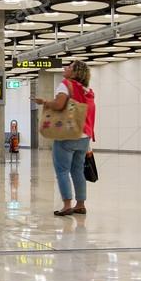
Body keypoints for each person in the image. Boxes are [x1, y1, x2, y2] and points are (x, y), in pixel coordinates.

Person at [34, 60, 96, 216]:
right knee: (78, 171)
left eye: (69, 67)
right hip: (84, 136)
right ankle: (80, 204)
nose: (65, 68)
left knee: (62, 170)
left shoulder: (66, 84)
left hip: (67, 134)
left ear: (74, 73)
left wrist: (45, 102)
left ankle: (67, 204)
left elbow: (60, 105)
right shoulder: (87, 90)